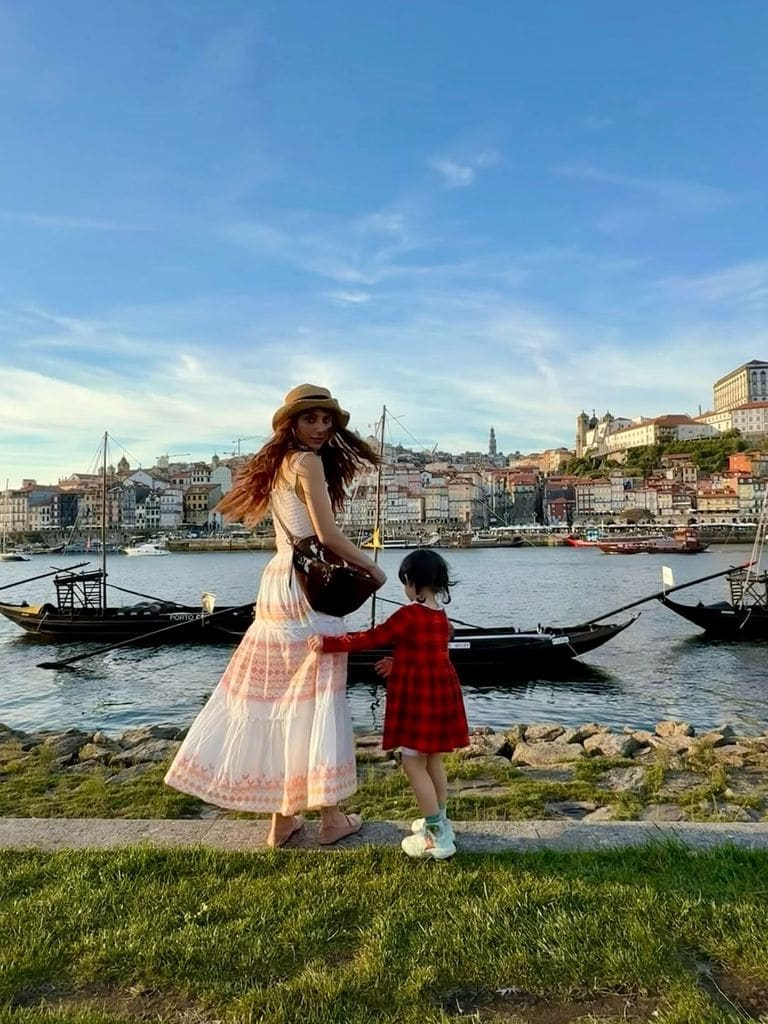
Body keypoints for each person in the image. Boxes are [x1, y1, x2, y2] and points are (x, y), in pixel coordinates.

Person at [164, 384, 386, 848]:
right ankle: (330, 817)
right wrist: (372, 568)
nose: (322, 428)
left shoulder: (280, 465)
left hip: (279, 582)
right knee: (319, 695)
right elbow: (326, 534)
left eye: (327, 420)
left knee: (284, 699)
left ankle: (283, 819)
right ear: (292, 423)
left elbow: (292, 536)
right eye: (312, 419)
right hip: (308, 590)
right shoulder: (307, 462)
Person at [309, 549, 469, 860]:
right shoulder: (440, 616)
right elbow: (431, 655)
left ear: (411, 581)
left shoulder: (408, 615)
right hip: (441, 695)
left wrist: (329, 643)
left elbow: (370, 638)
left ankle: (435, 835)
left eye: (404, 583)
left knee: (412, 764)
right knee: (433, 760)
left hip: (418, 699)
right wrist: (399, 662)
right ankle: (440, 817)